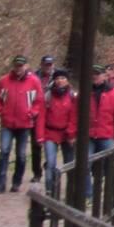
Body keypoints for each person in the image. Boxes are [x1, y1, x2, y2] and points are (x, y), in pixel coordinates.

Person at [0, 54, 41, 193]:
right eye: (16, 65)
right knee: (4, 152)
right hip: (7, 123)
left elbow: (39, 101)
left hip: (24, 124)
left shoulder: (34, 81)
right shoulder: (4, 81)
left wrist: (32, 113)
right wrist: (2, 112)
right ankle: (0, 183)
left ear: (26, 66)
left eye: (21, 66)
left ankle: (16, 182)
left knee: (21, 155)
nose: (18, 68)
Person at [87, 64, 114, 199]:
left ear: (104, 76)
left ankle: (108, 192)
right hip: (89, 134)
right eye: (92, 74)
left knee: (109, 163)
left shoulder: (113, 92)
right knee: (85, 162)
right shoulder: (86, 91)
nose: (94, 77)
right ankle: (88, 194)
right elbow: (77, 113)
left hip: (106, 133)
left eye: (97, 74)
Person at [37, 69, 77, 198]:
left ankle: (72, 190)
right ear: (54, 80)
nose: (60, 81)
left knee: (69, 162)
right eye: (58, 78)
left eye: (63, 78)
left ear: (67, 80)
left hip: (67, 134)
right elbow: (41, 116)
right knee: (51, 162)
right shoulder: (48, 96)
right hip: (50, 132)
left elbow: (74, 116)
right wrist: (40, 135)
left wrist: (71, 134)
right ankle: (50, 191)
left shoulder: (72, 96)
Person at [30, 54, 56, 183]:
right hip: (36, 113)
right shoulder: (34, 77)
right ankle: (37, 172)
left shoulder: (57, 77)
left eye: (50, 65)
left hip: (51, 114)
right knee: (36, 144)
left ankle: (48, 163)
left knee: (50, 143)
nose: (48, 67)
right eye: (46, 64)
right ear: (41, 65)